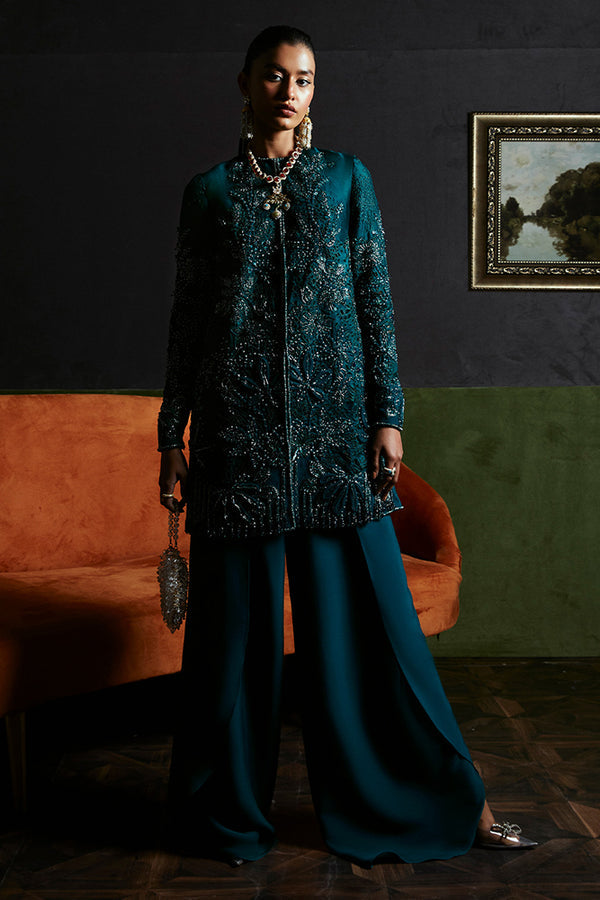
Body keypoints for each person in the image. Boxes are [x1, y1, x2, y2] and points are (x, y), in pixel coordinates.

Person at [157, 25, 537, 867]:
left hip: (337, 439)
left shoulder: (345, 179)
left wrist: (387, 415)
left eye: (303, 78)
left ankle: (449, 802)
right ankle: (221, 817)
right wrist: (169, 433)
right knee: (232, 644)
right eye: (274, 76)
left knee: (376, 635)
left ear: (314, 90)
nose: (289, 91)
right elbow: (188, 321)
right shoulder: (209, 192)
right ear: (245, 84)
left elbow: (375, 297)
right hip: (236, 442)